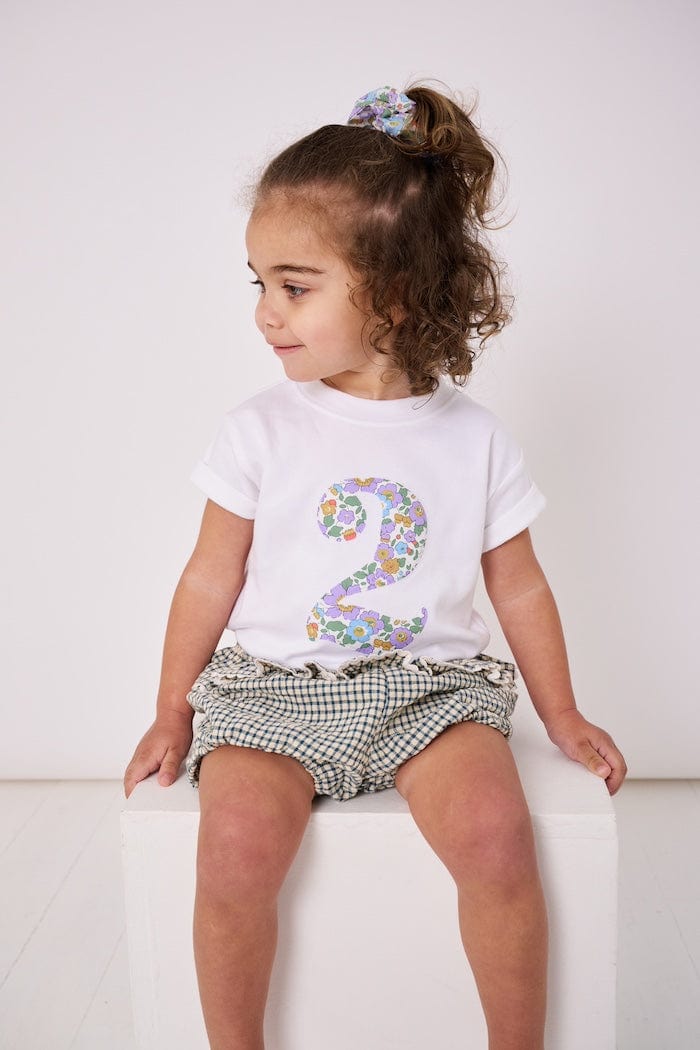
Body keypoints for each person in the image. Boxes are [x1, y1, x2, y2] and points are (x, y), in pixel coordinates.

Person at [123, 81, 627, 1050]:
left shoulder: (469, 440)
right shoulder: (259, 431)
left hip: (425, 695)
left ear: (392, 292)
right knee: (230, 849)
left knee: (496, 835)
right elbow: (207, 577)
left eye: (294, 286)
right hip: (272, 697)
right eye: (257, 283)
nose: (266, 312)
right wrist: (172, 707)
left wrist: (560, 713)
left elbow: (516, 584)